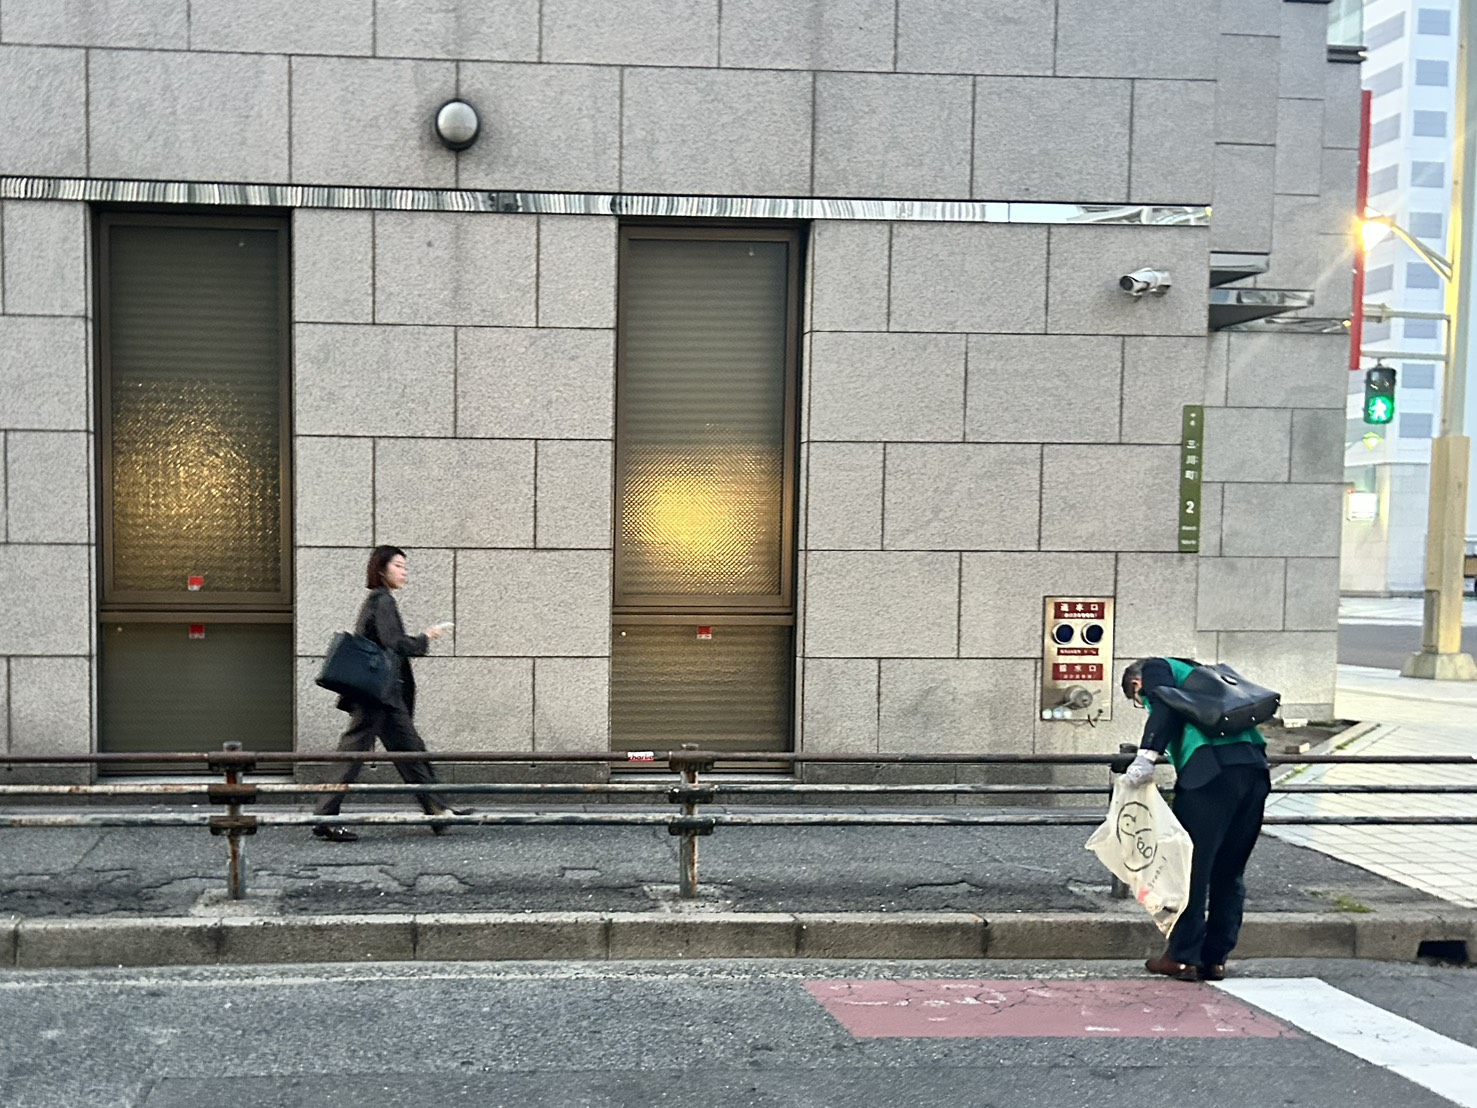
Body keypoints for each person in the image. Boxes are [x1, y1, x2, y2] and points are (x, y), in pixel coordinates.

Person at [1120, 657, 1271, 982]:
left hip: (1211, 773)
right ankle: (1214, 959)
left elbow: (1164, 705)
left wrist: (1146, 756)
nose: (1144, 704)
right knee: (1229, 872)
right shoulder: (1202, 675)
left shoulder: (1156, 667)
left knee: (1192, 869)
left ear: (1135, 684)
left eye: (1138, 700)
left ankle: (1182, 957)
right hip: (1254, 770)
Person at [312, 545, 471, 842]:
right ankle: (324, 817)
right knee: (354, 756)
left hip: (385, 696)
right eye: (398, 565)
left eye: (405, 567)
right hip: (377, 696)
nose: (403, 572)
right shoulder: (382, 600)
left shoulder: (379, 600)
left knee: (412, 752)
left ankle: (438, 811)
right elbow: (395, 642)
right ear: (381, 569)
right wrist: (426, 637)